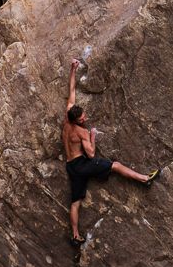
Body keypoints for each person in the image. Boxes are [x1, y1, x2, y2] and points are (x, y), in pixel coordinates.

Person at [63, 56, 160, 244]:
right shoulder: (80, 131)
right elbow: (90, 154)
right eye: (82, 118)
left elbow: (72, 89)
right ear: (77, 120)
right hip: (82, 164)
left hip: (70, 165)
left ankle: (75, 235)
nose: (85, 118)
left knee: (76, 202)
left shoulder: (67, 118)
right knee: (114, 165)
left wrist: (73, 69)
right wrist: (92, 135)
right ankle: (144, 179)